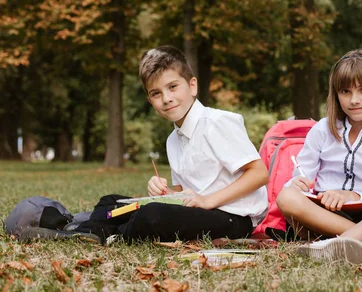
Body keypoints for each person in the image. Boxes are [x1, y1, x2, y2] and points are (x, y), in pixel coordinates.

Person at [44, 46, 269, 244]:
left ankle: (108, 233)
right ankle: (91, 230)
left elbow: (259, 173)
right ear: (150, 100)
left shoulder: (216, 123)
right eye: (156, 93)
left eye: (173, 87)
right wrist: (166, 192)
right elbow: (186, 190)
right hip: (197, 210)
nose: (166, 98)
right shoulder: (174, 139)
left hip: (234, 218)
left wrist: (208, 201)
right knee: (111, 202)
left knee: (152, 215)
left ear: (192, 86)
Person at [276, 49, 362, 264]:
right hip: (321, 215)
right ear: (336, 94)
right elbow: (301, 174)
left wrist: (353, 196)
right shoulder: (322, 129)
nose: (354, 100)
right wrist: (297, 183)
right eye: (345, 91)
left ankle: (336, 245)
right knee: (285, 196)